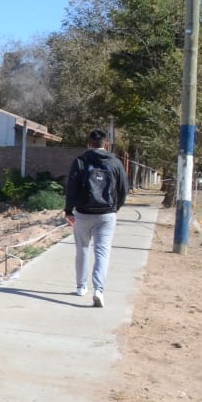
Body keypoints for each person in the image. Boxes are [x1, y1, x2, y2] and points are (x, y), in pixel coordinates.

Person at [64, 129, 129, 307]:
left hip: (83, 213)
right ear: (105, 144)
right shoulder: (115, 162)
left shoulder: (80, 161)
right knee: (102, 252)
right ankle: (99, 290)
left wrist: (68, 210)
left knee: (82, 250)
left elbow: (71, 188)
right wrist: (115, 208)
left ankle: (80, 287)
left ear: (88, 143)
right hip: (107, 214)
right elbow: (124, 189)